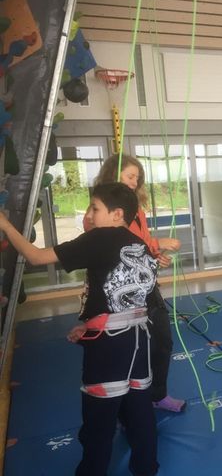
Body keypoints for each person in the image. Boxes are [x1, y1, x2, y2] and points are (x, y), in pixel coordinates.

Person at [0, 182, 159, 475]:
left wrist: (6, 225)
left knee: (99, 421)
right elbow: (129, 301)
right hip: (139, 341)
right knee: (140, 412)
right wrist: (89, 326)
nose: (90, 215)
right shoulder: (139, 245)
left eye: (95, 208)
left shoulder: (99, 238)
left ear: (117, 214)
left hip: (110, 347)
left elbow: (36, 257)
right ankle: (146, 468)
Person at [90, 155, 185, 412]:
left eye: (137, 178)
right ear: (114, 174)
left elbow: (140, 244)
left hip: (145, 287)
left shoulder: (137, 210)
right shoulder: (101, 212)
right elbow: (115, 244)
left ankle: (157, 395)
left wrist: (154, 255)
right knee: (127, 349)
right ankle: (126, 406)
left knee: (162, 341)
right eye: (130, 176)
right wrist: (156, 244)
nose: (135, 182)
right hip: (118, 292)